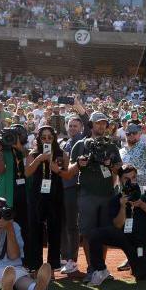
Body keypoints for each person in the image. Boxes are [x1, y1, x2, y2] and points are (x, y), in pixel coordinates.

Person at [66, 112, 122, 280]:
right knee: (88, 233)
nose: (101, 126)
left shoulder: (111, 145)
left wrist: (110, 165)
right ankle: (92, 269)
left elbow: (119, 169)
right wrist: (79, 164)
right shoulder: (81, 144)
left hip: (106, 194)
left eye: (104, 123)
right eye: (98, 123)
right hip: (87, 194)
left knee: (104, 232)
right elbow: (68, 172)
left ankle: (102, 268)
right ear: (91, 125)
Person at [84, 165, 146, 286]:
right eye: (126, 178)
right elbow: (118, 225)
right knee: (95, 234)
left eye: (134, 177)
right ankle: (100, 270)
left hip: (141, 242)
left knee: (141, 274)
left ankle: (139, 261)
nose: (131, 181)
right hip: (124, 238)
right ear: (120, 180)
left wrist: (141, 204)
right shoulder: (117, 199)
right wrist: (123, 206)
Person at [25, 126, 69, 271]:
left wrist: (53, 165)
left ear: (54, 138)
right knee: (35, 228)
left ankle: (54, 263)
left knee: (55, 228)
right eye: (43, 137)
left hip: (55, 193)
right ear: (39, 138)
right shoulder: (33, 153)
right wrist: (39, 159)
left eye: (50, 137)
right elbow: (27, 173)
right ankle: (35, 263)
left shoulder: (61, 153)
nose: (47, 140)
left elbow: (65, 173)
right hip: (37, 194)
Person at [0, 124, 29, 235]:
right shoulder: (1, 152)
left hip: (24, 195)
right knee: (3, 230)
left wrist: (19, 147)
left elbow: (31, 158)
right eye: (10, 136)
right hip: (6, 195)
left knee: (24, 229)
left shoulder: (26, 151)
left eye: (16, 136)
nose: (12, 138)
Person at [59, 115, 86, 274]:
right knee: (62, 223)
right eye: (70, 126)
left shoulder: (82, 140)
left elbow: (89, 125)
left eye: (76, 126)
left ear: (81, 127)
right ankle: (64, 257)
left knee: (71, 225)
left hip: (73, 187)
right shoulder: (64, 143)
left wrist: (79, 108)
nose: (72, 128)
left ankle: (72, 260)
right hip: (61, 187)